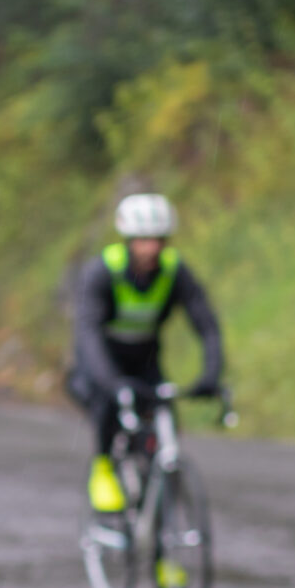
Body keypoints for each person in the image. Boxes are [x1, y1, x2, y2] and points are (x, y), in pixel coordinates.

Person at [68, 193, 224, 513]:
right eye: (142, 240)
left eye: (158, 239)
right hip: (102, 359)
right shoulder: (101, 272)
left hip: (146, 358)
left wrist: (211, 373)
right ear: (128, 240)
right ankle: (103, 469)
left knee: (165, 420)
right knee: (107, 405)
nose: (151, 248)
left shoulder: (175, 271)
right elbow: (88, 333)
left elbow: (207, 325)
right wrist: (113, 383)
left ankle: (162, 535)